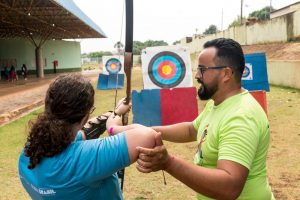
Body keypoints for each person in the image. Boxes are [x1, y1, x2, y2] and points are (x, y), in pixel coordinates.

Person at [136, 38, 274, 200]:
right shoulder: (219, 102)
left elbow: (230, 187)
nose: (197, 75)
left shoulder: (240, 116)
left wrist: (168, 163)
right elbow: (192, 129)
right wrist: (149, 131)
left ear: (226, 74)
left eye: (202, 69)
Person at [18, 74, 158, 200]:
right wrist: (113, 127)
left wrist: (114, 113)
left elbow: (85, 132)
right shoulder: (81, 160)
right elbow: (147, 136)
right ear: (85, 116)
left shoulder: (28, 153)